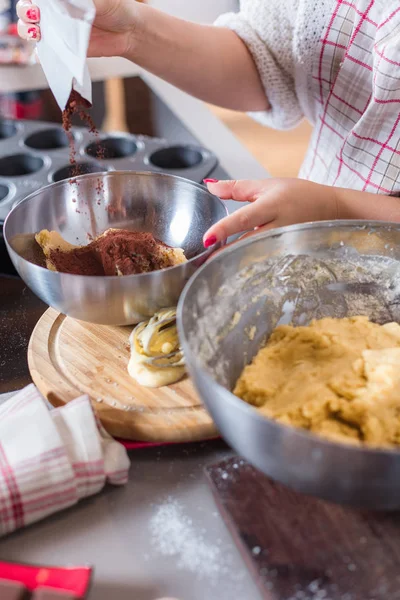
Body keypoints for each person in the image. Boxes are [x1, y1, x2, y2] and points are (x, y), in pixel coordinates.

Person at [17, 0, 400, 248]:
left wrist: (335, 205)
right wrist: (132, 32)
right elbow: (266, 60)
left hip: (341, 223)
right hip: (315, 235)